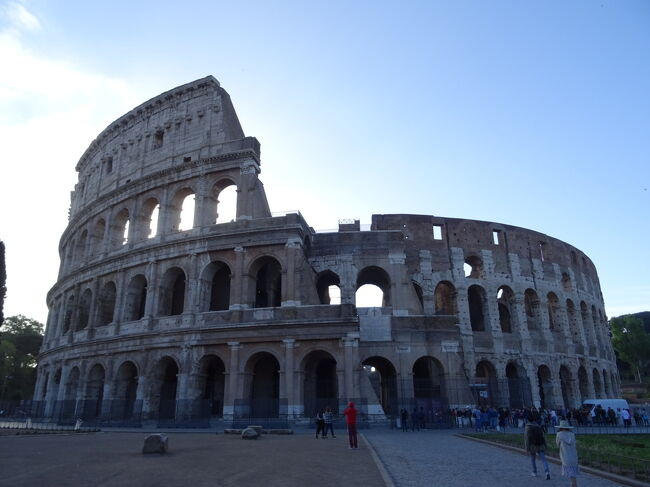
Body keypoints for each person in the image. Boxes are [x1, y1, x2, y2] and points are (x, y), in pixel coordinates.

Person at [556, 420, 579, 486]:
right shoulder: (572, 434)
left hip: (566, 457)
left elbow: (557, 445)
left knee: (572, 478)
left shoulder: (559, 434)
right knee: (573, 476)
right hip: (574, 457)